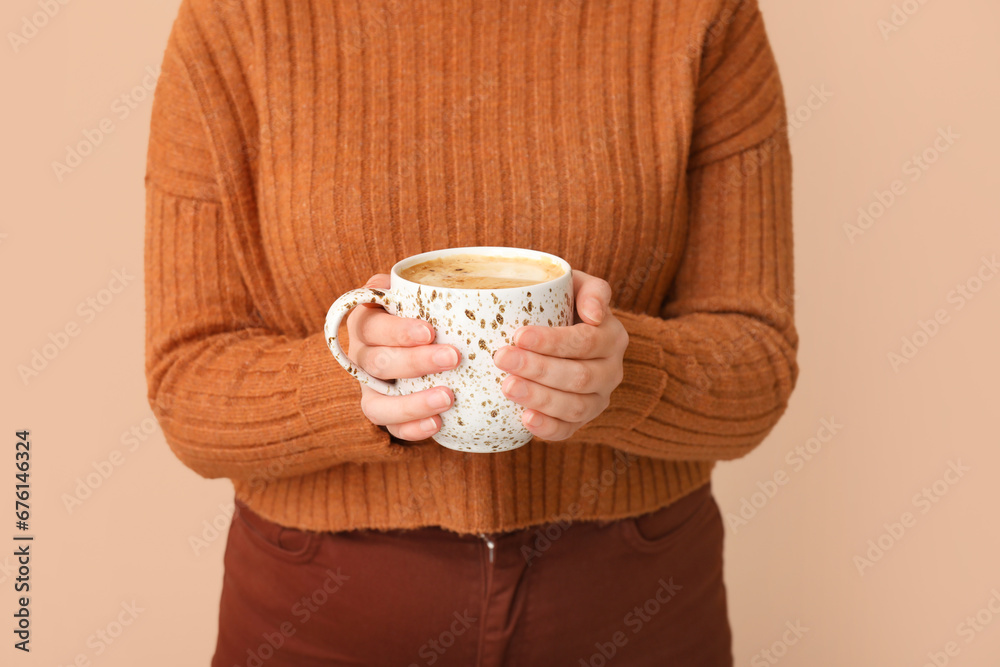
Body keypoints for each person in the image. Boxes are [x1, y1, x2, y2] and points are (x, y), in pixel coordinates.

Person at [144, 0, 798, 664]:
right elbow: (184, 386)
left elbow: (758, 364)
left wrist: (621, 374)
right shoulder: (236, 20)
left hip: (632, 598)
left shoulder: (701, 15)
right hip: (319, 610)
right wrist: (351, 380)